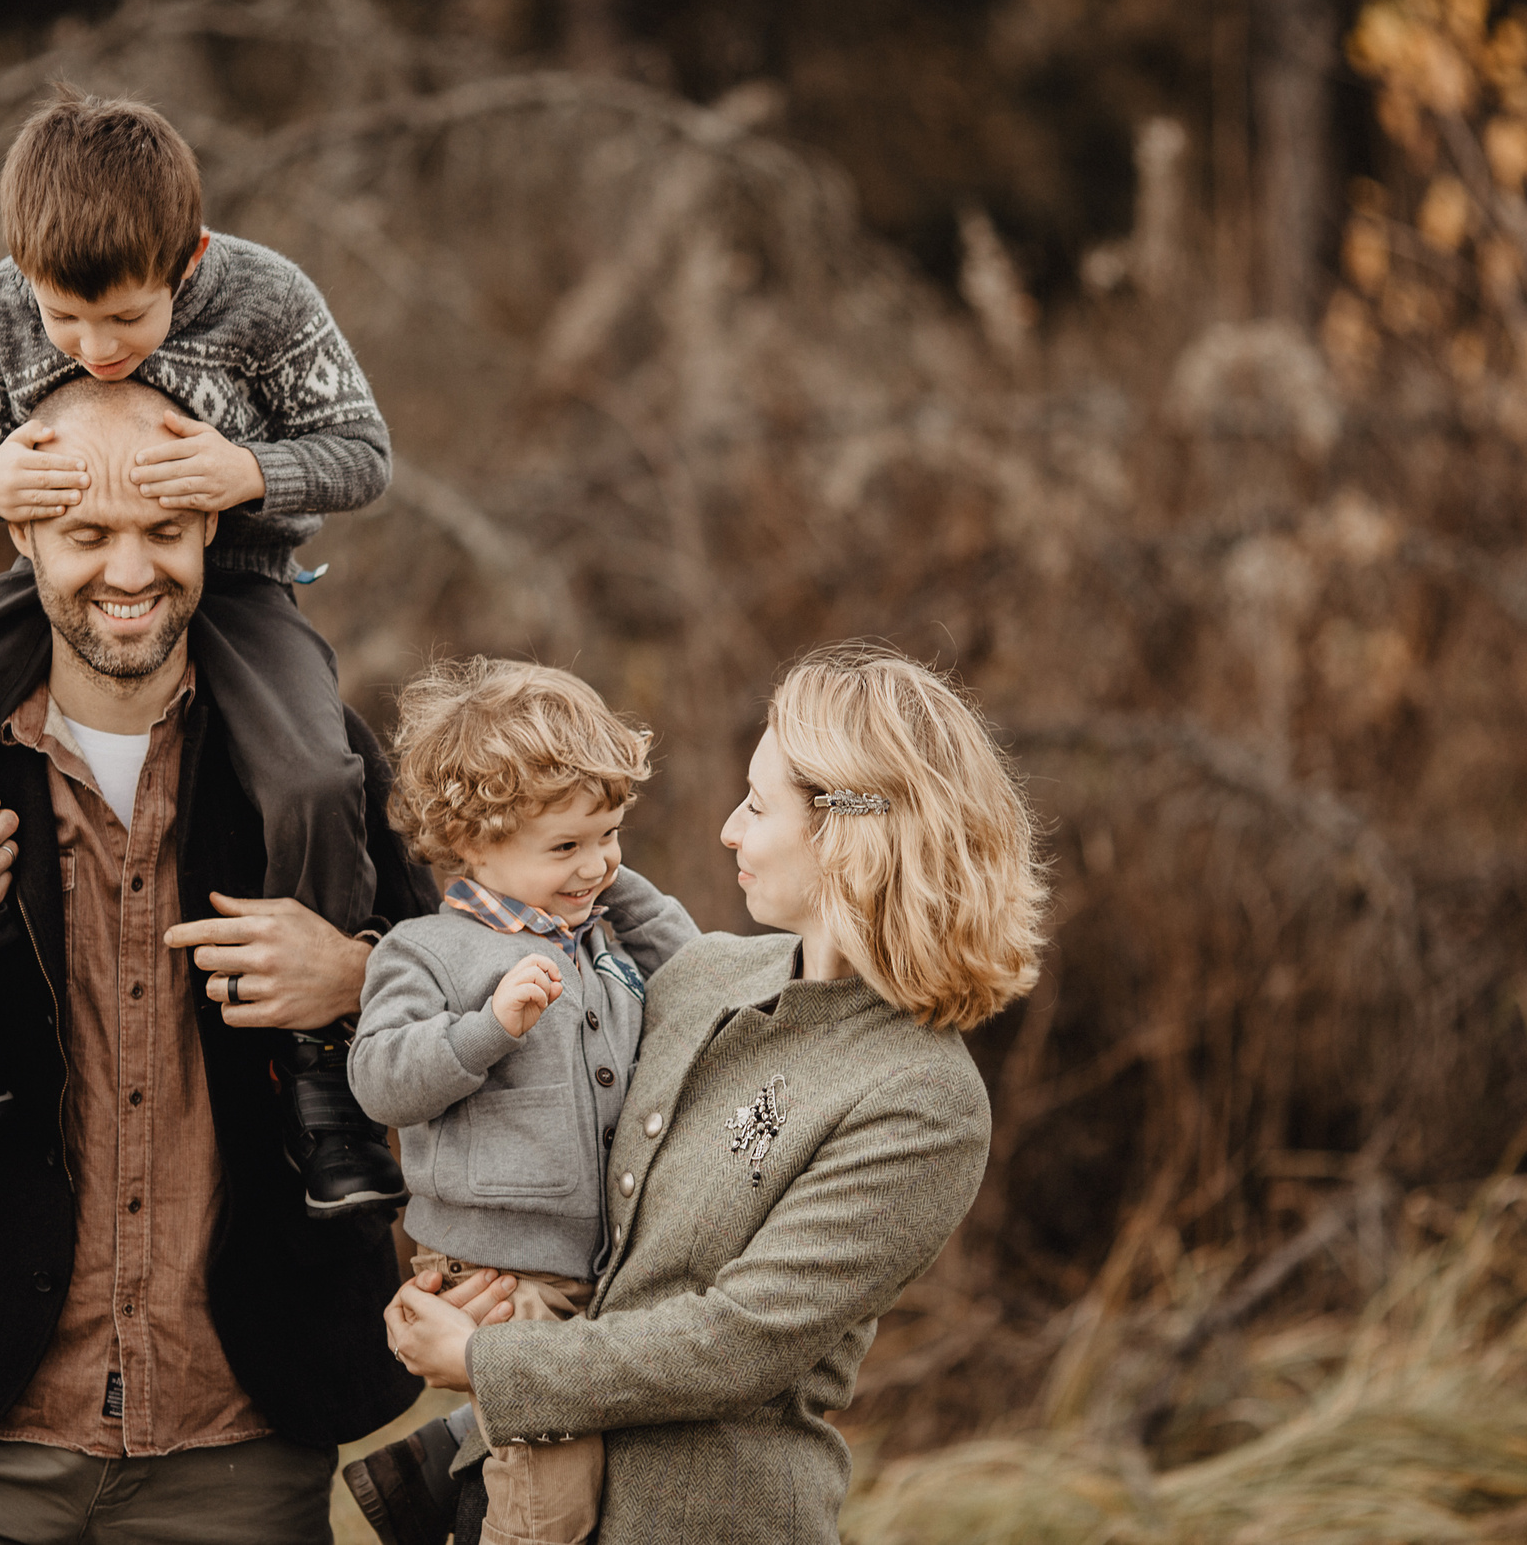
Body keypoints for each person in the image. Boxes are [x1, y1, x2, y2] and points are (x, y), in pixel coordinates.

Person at [0, 377, 424, 1543]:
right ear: (24, 533)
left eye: (161, 531)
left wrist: (362, 979)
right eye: (87, 534)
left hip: (238, 1445)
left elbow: (485, 1000)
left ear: (211, 527)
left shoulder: (310, 758)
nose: (128, 571)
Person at [0, 87, 403, 1216]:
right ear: (22, 272)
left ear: (186, 261)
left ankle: (319, 1062)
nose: (94, 350)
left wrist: (252, 474)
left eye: (125, 319)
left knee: (316, 771)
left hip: (236, 582)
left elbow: (363, 452)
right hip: (59, 582)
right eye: (64, 322)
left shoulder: (268, 300)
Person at [380, 643, 1049, 1545]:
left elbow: (738, 1342)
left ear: (847, 831)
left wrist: (489, 1357)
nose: (729, 830)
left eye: (759, 805)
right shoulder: (701, 976)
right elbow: (519, 986)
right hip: (514, 1492)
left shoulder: (921, 1097)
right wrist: (471, 1283)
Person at [345, 658, 701, 1545]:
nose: (599, 862)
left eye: (610, 833)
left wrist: (602, 879)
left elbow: (698, 973)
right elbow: (379, 1075)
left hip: (611, 1268)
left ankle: (435, 1473)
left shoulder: (601, 940)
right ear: (474, 842)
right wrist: (487, 1029)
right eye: (567, 846)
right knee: (551, 1499)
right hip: (506, 1279)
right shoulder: (427, 950)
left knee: (619, 1476)